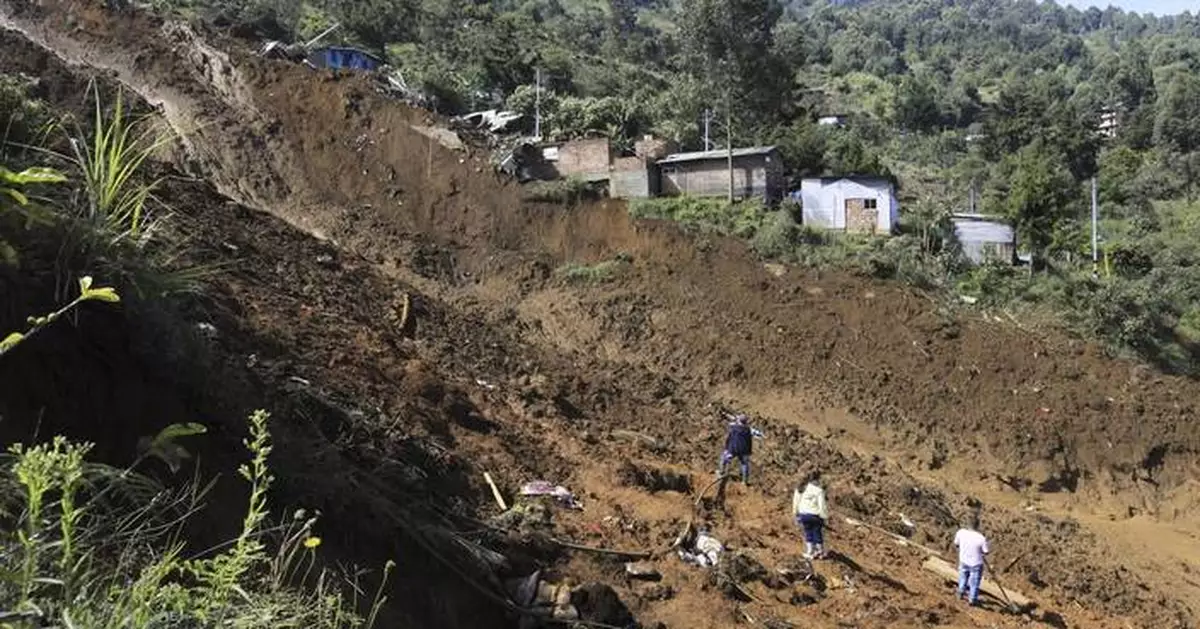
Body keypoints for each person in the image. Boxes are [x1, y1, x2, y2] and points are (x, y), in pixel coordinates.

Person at [953, 513, 990, 606]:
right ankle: (972, 599)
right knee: (974, 581)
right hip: (976, 563)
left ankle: (961, 592)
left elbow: (956, 544)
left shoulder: (961, 532)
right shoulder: (981, 538)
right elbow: (986, 552)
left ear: (967, 524)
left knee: (963, 576)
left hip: (963, 560)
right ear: (978, 526)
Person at [717, 413, 763, 484]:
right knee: (744, 464)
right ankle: (744, 481)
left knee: (724, 458)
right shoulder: (748, 430)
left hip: (733, 449)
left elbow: (729, 432)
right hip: (744, 450)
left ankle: (721, 472)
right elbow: (758, 434)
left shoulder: (734, 428)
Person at [793, 471, 829, 559]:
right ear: (817, 479)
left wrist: (795, 514)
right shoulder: (819, 491)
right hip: (815, 515)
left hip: (804, 515)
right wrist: (825, 517)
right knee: (817, 532)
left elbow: (796, 502)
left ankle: (810, 552)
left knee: (808, 532)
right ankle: (820, 552)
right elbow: (822, 505)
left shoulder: (801, 488)